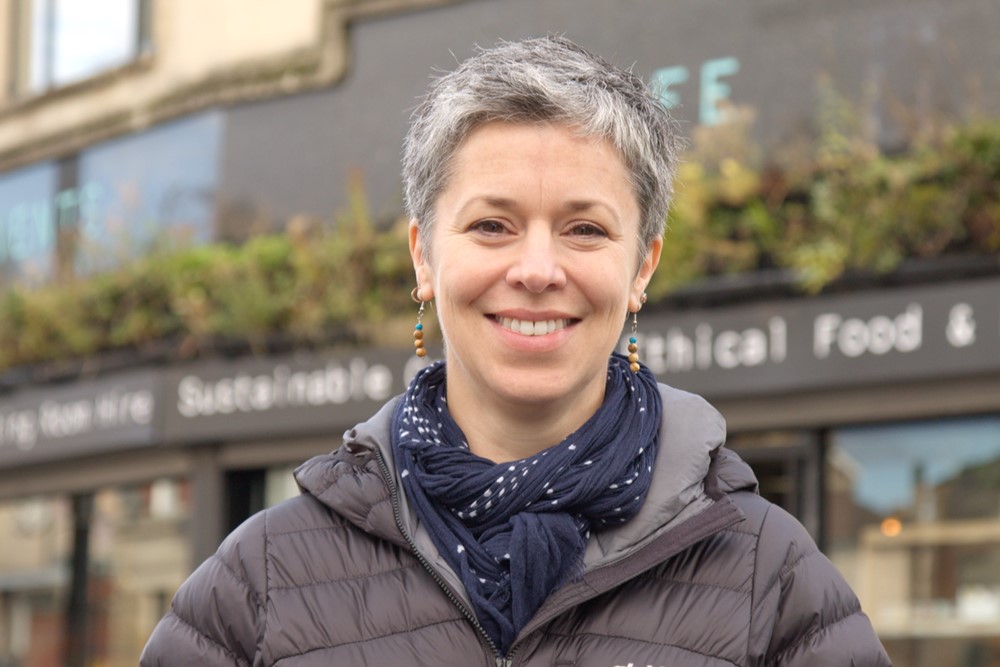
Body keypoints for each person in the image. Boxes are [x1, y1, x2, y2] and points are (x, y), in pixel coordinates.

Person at [141, 36, 891, 666]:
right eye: (492, 225)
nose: (536, 269)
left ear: (643, 267)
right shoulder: (264, 578)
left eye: (585, 229)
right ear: (423, 257)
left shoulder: (769, 572)